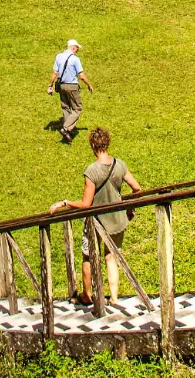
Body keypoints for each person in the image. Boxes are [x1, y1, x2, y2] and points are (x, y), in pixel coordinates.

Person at [49, 126, 143, 302]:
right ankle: (114, 297)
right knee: (111, 256)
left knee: (88, 255)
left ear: (93, 144)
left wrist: (65, 202)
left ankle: (87, 295)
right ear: (107, 143)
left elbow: (86, 204)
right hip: (117, 219)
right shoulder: (120, 164)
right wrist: (129, 207)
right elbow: (137, 189)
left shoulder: (92, 171)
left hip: (97, 221)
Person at [47, 39, 94, 144]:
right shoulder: (75, 59)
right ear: (73, 47)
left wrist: (50, 85)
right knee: (77, 108)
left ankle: (68, 132)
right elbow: (81, 76)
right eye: (77, 48)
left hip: (61, 86)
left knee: (65, 107)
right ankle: (66, 128)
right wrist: (89, 85)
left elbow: (55, 73)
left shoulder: (58, 56)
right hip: (72, 86)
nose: (77, 50)